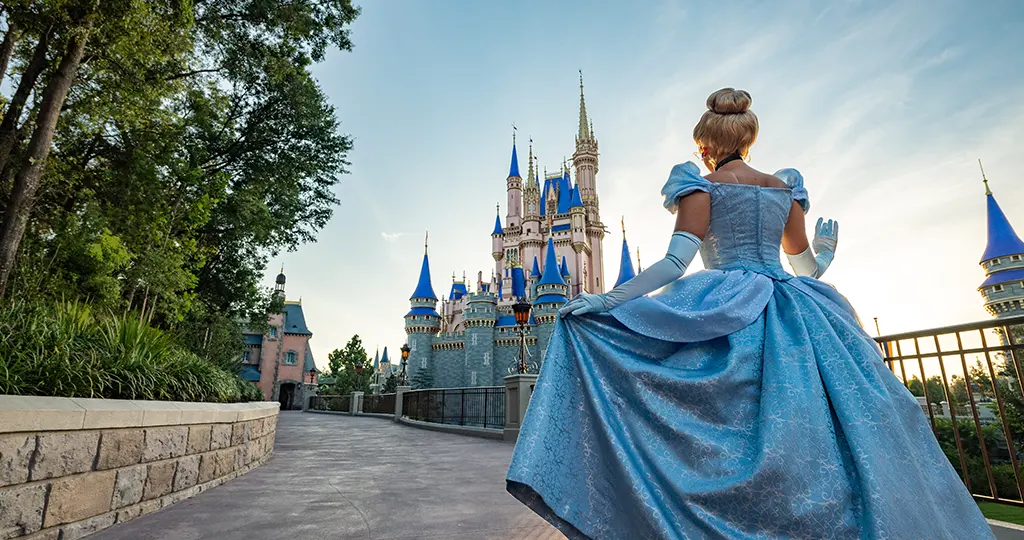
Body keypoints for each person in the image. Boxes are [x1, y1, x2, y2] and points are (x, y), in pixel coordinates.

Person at [505, 88, 993, 539]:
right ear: (747, 140)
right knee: (825, 432)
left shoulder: (701, 189)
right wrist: (824, 251)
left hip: (722, 308)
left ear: (706, 146)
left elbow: (676, 264)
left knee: (712, 432)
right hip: (795, 311)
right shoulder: (785, 190)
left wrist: (607, 301)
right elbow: (806, 268)